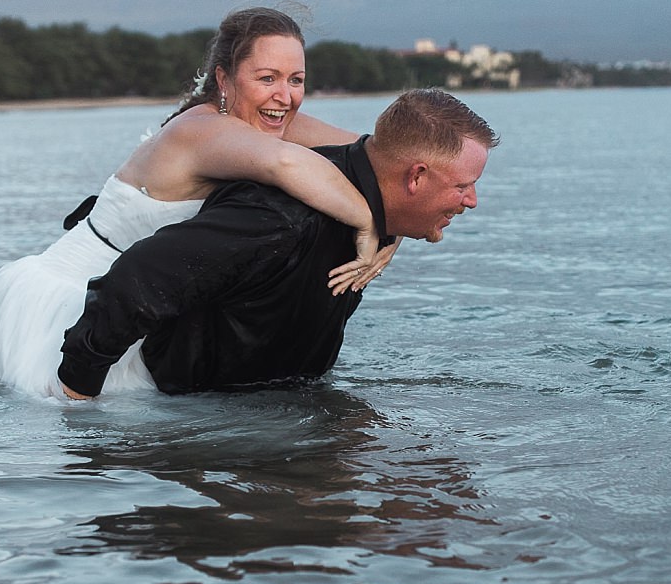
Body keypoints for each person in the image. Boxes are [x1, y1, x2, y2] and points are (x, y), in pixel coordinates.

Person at [0, 7, 393, 399]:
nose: (284, 96)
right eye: (267, 78)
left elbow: (373, 158)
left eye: (296, 79)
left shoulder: (266, 119)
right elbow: (287, 164)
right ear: (224, 79)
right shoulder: (200, 131)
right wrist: (367, 223)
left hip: (142, 303)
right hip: (76, 303)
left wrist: (394, 226)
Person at [58, 88, 497, 398]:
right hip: (198, 426)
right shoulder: (281, 219)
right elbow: (137, 280)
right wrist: (79, 408)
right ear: (416, 177)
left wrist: (392, 229)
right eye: (463, 186)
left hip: (283, 405)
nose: (473, 201)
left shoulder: (376, 199)